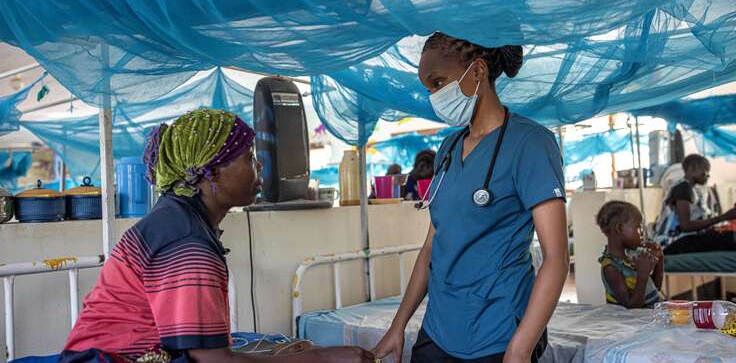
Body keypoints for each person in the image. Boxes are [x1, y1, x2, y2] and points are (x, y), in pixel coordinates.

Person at [60, 109, 374, 363]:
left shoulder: (177, 219)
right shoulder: (186, 242)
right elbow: (211, 360)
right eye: (248, 157)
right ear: (210, 171)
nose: (258, 165)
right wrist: (324, 358)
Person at [374, 33, 569, 363]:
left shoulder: (531, 143)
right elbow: (432, 246)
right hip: (439, 329)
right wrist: (398, 325)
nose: (435, 96)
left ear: (478, 71)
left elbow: (556, 258)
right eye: (429, 88)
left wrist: (520, 349)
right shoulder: (448, 149)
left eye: (439, 82)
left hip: (499, 332)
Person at [655, 154, 736, 255]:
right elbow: (685, 226)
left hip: (683, 239)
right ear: (691, 168)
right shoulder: (683, 189)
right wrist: (723, 217)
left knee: (725, 235)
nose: (708, 175)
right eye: (705, 170)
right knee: (729, 238)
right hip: (671, 242)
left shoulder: (692, 190)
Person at [596, 201, 663, 308]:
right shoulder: (611, 268)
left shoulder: (633, 257)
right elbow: (632, 307)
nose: (642, 232)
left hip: (651, 315)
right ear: (620, 228)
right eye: (638, 227)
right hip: (634, 322)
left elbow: (656, 289)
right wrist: (642, 275)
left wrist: (659, 259)